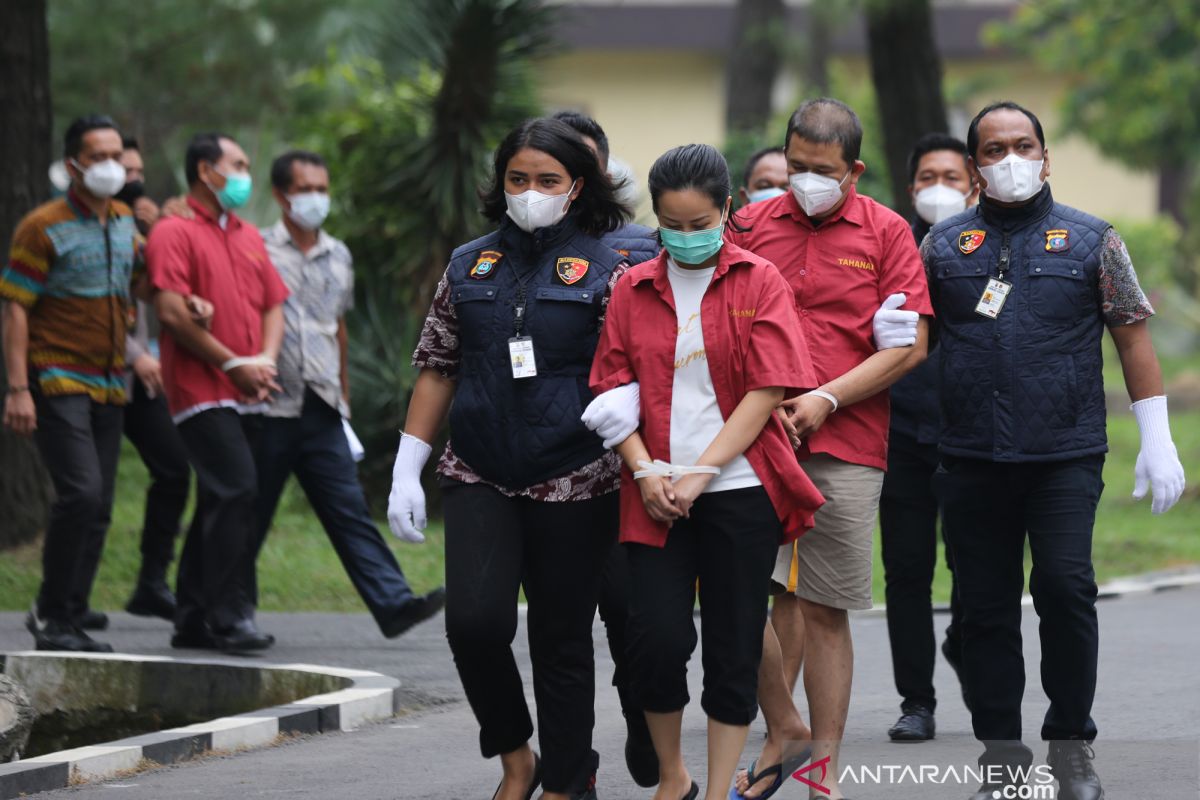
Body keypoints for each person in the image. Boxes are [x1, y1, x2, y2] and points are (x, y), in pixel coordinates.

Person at [923, 101, 1187, 800]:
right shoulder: (944, 248)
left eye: (1023, 145)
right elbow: (912, 345)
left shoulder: (1093, 240)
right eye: (993, 149)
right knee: (983, 610)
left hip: (1065, 452)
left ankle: (1071, 749)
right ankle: (1003, 759)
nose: (1010, 158)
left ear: (1045, 155)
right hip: (971, 455)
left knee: (1066, 590)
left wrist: (1157, 441)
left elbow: (1132, 335)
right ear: (975, 166)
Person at [387, 117, 630, 800]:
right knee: (474, 624)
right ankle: (516, 757)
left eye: (547, 180)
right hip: (479, 469)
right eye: (518, 179)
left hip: (576, 475)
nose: (530, 192)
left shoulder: (614, 268)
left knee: (561, 639)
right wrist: (407, 467)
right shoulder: (470, 263)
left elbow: (634, 369)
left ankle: (566, 783)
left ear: (578, 187)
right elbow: (438, 365)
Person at [590, 143, 825, 800]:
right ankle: (674, 778)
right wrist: (644, 473)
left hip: (739, 492)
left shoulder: (759, 281)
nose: (688, 237)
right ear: (656, 218)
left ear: (726, 210)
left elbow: (766, 391)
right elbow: (611, 393)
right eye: (673, 225)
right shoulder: (631, 289)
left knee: (734, 646)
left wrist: (700, 472)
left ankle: (717, 789)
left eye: (701, 224)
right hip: (653, 493)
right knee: (655, 645)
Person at [727, 98, 932, 800]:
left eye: (824, 170)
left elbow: (909, 348)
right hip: (746, 440)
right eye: (797, 166)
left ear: (856, 170)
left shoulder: (887, 233)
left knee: (823, 607)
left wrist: (825, 398)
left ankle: (823, 769)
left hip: (844, 441)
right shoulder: (748, 224)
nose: (806, 180)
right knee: (732, 593)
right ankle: (784, 726)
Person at [252, 149, 445, 637]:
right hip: (267, 402)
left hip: (322, 404)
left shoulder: (339, 255)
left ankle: (394, 603)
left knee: (349, 510)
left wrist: (342, 391)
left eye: (322, 188)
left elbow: (337, 327)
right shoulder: (255, 251)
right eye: (305, 189)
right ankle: (218, 613)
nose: (316, 198)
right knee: (246, 512)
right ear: (280, 195)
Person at [146, 131, 289, 654]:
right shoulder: (173, 230)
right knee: (237, 491)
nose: (247, 174)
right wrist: (232, 363)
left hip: (248, 385)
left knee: (219, 496)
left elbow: (274, 303)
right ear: (206, 172)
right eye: (238, 164)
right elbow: (169, 312)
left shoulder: (248, 235)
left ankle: (190, 618)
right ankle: (229, 616)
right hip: (201, 389)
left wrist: (265, 360)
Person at [1, 115, 137, 652]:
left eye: (116, 156)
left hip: (110, 380)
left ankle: (69, 609)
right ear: (74, 164)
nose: (110, 165)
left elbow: (135, 282)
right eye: (98, 156)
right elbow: (15, 308)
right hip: (56, 375)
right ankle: (53, 615)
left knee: (99, 503)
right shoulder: (42, 224)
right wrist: (17, 389)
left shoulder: (124, 219)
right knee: (80, 492)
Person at [554, 109, 661, 787]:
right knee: (561, 629)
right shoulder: (507, 251)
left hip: (626, 466)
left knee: (633, 615)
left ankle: (645, 716)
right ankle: (573, 767)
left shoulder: (643, 246)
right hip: (549, 468)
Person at [879, 132, 977, 742]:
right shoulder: (889, 250)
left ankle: (963, 639)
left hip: (974, 437)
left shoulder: (991, 247)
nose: (938, 187)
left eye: (951, 176)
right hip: (899, 433)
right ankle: (916, 700)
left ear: (972, 184)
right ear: (912, 188)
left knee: (975, 566)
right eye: (927, 177)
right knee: (907, 571)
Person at [114, 136, 196, 623]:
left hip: (138, 377)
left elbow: (153, 289)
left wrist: (162, 228)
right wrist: (134, 353)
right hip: (94, 375)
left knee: (172, 469)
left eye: (137, 170)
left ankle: (151, 582)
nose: (133, 178)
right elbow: (83, 306)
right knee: (91, 494)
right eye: (123, 169)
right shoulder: (73, 227)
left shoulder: (135, 228)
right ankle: (62, 605)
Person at [553, 110, 659, 266]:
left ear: (606, 181)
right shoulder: (508, 247)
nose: (573, 181)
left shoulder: (647, 251)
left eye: (584, 167)